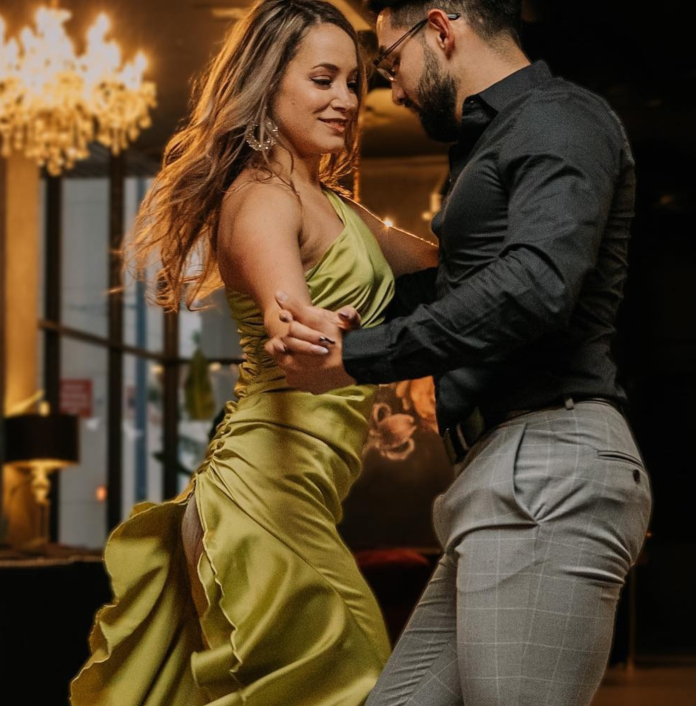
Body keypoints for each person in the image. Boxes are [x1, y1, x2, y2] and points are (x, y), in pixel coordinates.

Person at [269, 1, 653, 703]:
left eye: (390, 64)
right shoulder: (493, 140)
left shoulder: (558, 118)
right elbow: (464, 290)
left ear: (441, 29)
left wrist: (360, 359)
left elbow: (536, 287)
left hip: (548, 463)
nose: (393, 91)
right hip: (504, 470)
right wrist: (348, 317)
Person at [70, 1, 437, 703]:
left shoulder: (330, 198)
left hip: (294, 502)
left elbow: (437, 265)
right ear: (268, 82)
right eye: (324, 79)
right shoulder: (262, 197)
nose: (348, 101)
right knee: (358, 675)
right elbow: (285, 304)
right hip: (257, 504)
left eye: (356, 82)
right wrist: (297, 322)